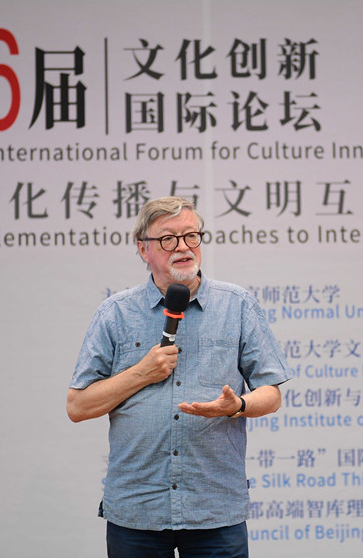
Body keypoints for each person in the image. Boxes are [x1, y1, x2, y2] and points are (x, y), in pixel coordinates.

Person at [67, 196, 292, 558]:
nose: (184, 247)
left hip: (214, 507)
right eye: (168, 239)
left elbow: (272, 393)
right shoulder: (115, 313)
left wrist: (237, 405)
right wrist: (140, 373)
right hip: (137, 508)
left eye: (191, 236)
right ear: (143, 249)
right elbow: (78, 406)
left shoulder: (237, 305)